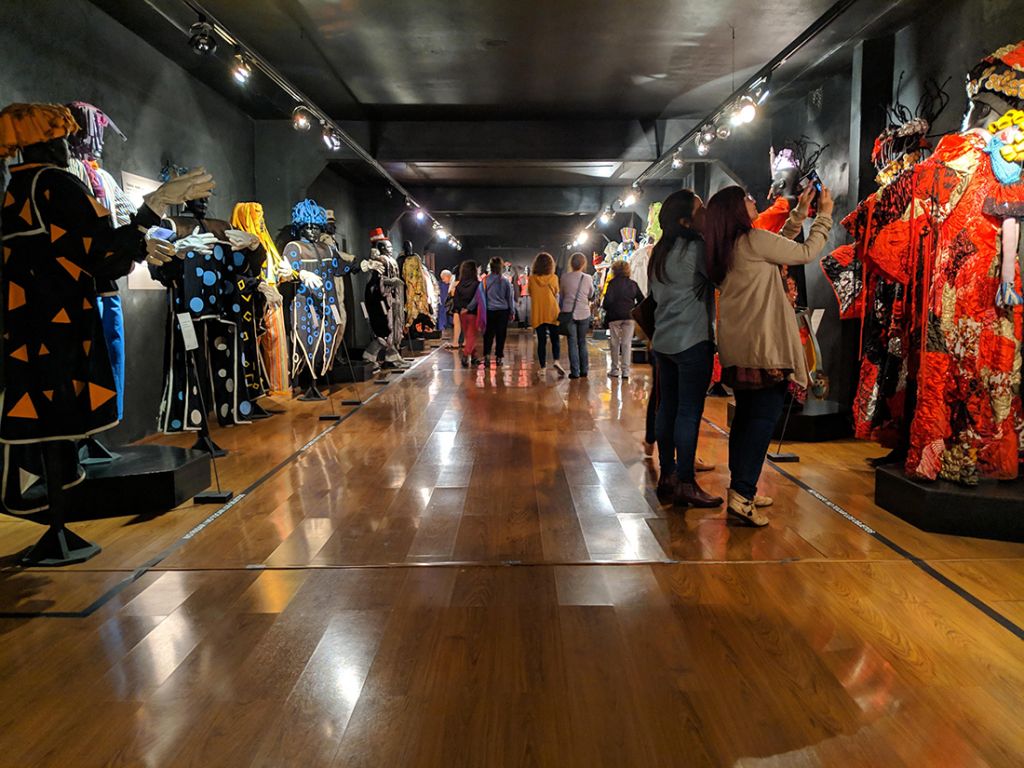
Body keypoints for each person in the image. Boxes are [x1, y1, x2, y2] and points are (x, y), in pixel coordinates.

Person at [705, 183, 832, 526]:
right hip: (764, 346)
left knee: (746, 419)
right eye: (747, 199)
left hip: (740, 346)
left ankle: (741, 488)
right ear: (736, 209)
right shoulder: (753, 240)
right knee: (761, 421)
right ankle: (743, 495)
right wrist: (824, 216)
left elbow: (777, 246)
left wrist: (800, 213)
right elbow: (804, 252)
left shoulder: (727, 246)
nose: (753, 201)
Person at [647, 189, 720, 508]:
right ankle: (687, 482)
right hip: (692, 340)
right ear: (685, 221)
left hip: (663, 341)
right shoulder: (698, 249)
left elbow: (654, 296)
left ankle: (668, 476)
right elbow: (722, 278)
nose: (706, 213)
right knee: (689, 412)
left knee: (667, 408)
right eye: (700, 209)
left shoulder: (658, 252)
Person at [601, 260, 643, 378]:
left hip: (614, 316)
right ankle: (626, 371)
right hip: (629, 317)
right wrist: (633, 308)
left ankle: (614, 369)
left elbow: (607, 302)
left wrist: (608, 308)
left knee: (614, 343)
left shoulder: (612, 284)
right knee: (626, 344)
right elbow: (642, 299)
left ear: (614, 270)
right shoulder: (633, 284)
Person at [528, 252, 565, 376]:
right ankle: (556, 361)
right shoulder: (554, 278)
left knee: (541, 341)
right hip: (552, 311)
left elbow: (530, 293)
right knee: (555, 339)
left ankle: (543, 367)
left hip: (538, 312)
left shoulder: (531, 279)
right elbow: (556, 292)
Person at [559, 252, 596, 379]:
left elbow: (562, 295)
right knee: (582, 342)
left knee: (572, 343)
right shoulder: (588, 278)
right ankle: (584, 370)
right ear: (583, 264)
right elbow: (591, 294)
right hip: (584, 313)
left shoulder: (564, 277)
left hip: (569, 313)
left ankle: (574, 372)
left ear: (571, 263)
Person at [482, 256, 516, 365]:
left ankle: (487, 355)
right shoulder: (505, 281)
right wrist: (512, 311)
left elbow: (481, 296)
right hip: (503, 311)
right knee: (501, 334)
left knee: (488, 334)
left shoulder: (485, 280)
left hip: (489, 310)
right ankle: (499, 357)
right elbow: (509, 298)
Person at [450, 260, 482, 367]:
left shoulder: (459, 285)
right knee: (472, 335)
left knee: (468, 336)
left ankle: (474, 356)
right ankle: (465, 355)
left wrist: (460, 309)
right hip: (473, 313)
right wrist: (469, 308)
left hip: (462, 314)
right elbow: (478, 299)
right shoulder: (477, 284)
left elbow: (456, 300)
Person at [437, 269, 452, 333]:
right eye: (442, 279)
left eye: (444, 278)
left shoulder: (453, 284)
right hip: (443, 304)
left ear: (448, 276)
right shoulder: (441, 285)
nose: (443, 280)